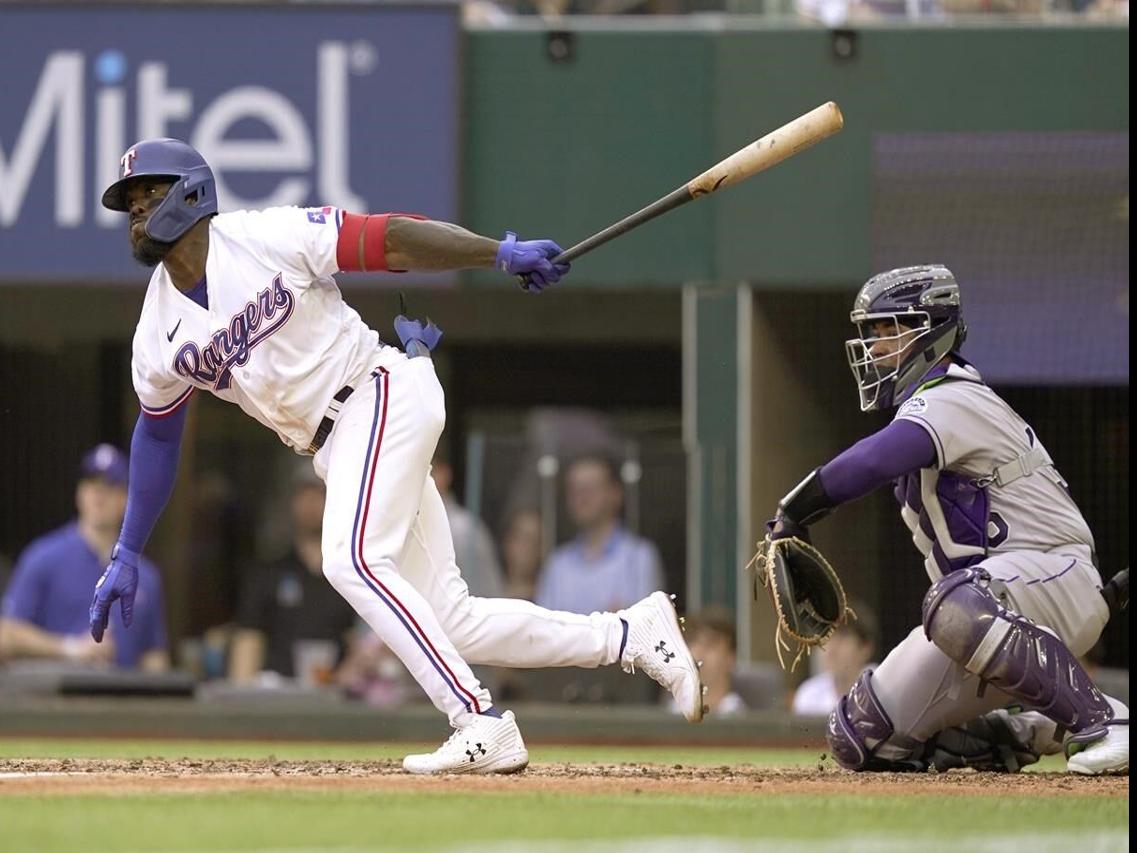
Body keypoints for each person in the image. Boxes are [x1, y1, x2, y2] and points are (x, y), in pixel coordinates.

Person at [87, 138, 705, 775]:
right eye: (128, 201)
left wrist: (496, 253)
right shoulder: (156, 331)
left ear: (191, 192)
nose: (135, 210)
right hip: (337, 445)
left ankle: (476, 718)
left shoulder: (264, 236)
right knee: (453, 620)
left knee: (350, 558)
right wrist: (128, 550)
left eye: (148, 193)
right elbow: (158, 436)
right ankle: (632, 635)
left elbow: (390, 239)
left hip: (376, 397)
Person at [766, 265, 1127, 775]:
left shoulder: (955, 396)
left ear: (932, 330)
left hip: (1056, 580)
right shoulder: (927, 408)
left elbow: (871, 462)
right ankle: (1033, 729)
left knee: (952, 602)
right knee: (859, 735)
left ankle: (1106, 723)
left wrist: (794, 510)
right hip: (986, 616)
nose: (875, 346)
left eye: (891, 330)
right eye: (872, 333)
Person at [1, 445, 168, 671]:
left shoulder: (145, 575)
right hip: (57, 700)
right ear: (79, 493)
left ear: (126, 499)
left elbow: (153, 656)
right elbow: (6, 634)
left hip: (124, 701)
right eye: (91, 485)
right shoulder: (43, 557)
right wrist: (72, 649)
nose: (99, 495)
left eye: (109, 486)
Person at [228, 467, 357, 683]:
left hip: (338, 698)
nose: (311, 504)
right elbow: (248, 638)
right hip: (276, 697)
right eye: (303, 495)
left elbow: (363, 640)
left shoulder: (353, 575)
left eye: (319, 495)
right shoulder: (270, 572)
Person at [535, 453, 664, 614]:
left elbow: (645, 628)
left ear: (615, 494)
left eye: (590, 488)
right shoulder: (557, 564)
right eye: (574, 489)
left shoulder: (639, 557)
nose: (581, 497)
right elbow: (544, 630)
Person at [429, 448, 503, 599]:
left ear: (444, 474)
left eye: (427, 472)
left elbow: (486, 598)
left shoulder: (463, 530)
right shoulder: (401, 525)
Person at [791, 606, 877, 716]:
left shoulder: (883, 686)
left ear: (865, 647)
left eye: (842, 637)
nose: (831, 649)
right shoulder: (808, 694)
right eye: (826, 637)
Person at [667, 606, 747, 717]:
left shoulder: (744, 722)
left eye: (709, 644)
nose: (698, 654)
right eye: (692, 643)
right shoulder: (668, 716)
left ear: (731, 658)